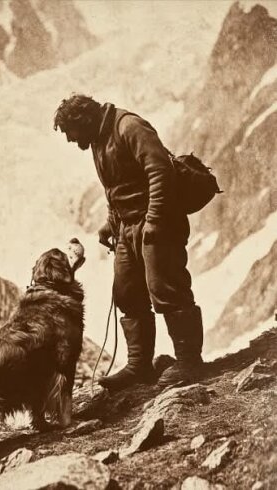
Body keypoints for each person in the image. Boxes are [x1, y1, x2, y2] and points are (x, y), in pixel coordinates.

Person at [53, 94, 204, 392]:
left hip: (156, 222)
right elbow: (116, 189)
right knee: (127, 293)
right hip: (127, 228)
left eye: (71, 132)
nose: (71, 140)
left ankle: (189, 361)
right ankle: (140, 366)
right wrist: (110, 226)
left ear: (82, 121)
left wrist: (155, 220)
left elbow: (159, 170)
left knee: (167, 289)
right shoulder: (98, 139)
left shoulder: (128, 126)